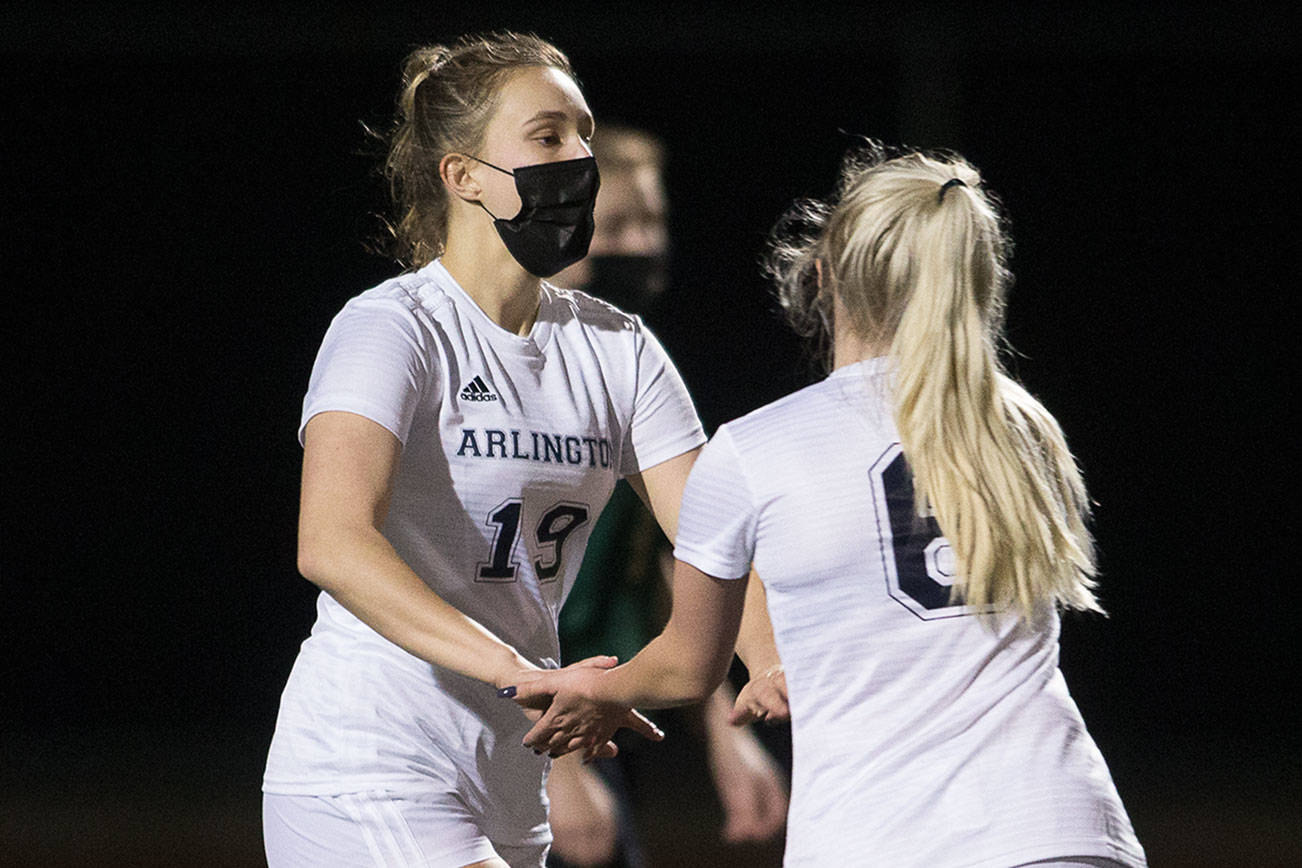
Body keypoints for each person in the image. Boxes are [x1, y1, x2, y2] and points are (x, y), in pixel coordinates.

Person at [511, 145, 1149, 867]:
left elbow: (688, 664)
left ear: (822, 274)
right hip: (1064, 825)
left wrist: (594, 690)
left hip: (885, 837)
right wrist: (770, 656)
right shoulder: (1025, 426)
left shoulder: (757, 448)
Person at [261, 32, 724, 868]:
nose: (580, 156)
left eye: (583, 133)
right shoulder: (392, 327)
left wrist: (738, 667)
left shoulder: (617, 346)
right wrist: (524, 674)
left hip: (513, 774)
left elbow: (722, 538)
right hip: (368, 760)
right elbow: (331, 541)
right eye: (548, 136)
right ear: (462, 174)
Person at [544, 125, 788, 868]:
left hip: (604, 712)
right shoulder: (519, 372)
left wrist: (727, 724)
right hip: (496, 717)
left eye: (653, 224)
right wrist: (550, 766)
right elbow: (463, 579)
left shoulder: (635, 365)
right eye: (617, 227)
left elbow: (680, 559)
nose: (642, 245)